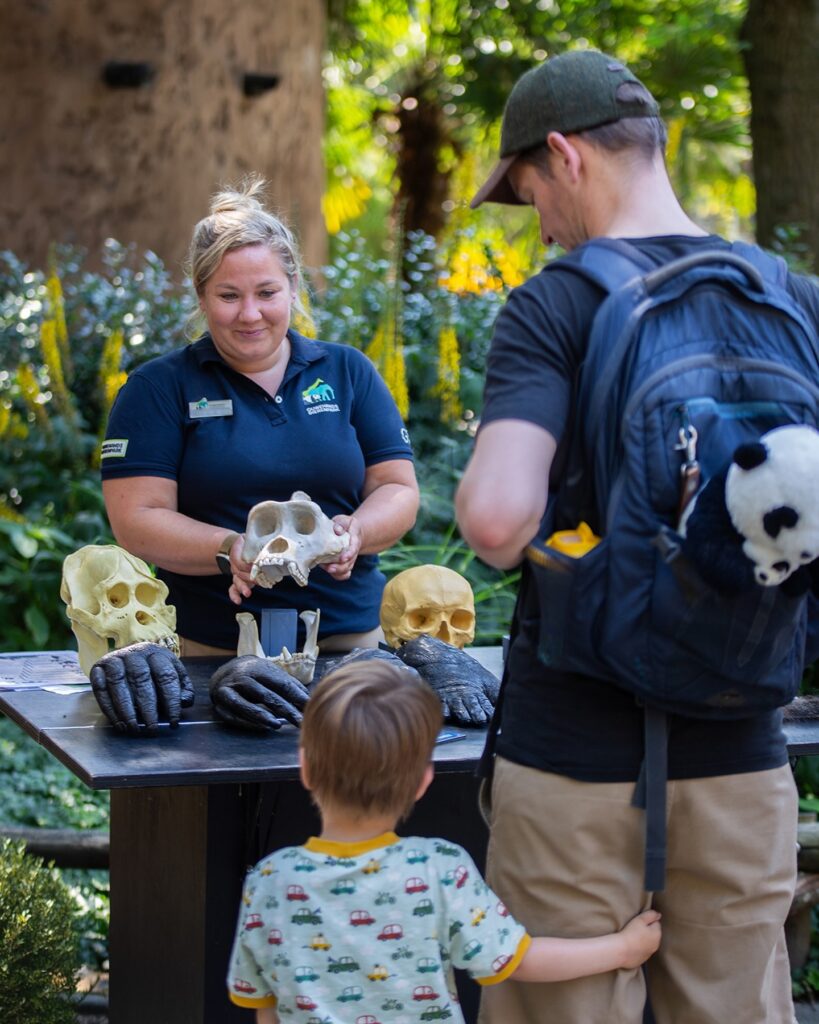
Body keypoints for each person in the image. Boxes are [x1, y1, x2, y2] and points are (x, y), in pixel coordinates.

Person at [455, 49, 819, 1024]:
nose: (539, 221)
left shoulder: (557, 305)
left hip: (574, 746)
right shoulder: (794, 300)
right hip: (743, 739)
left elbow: (495, 523)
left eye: (529, 191)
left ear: (565, 154)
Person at [225, 660, 661, 1023]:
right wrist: (622, 949)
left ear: (306, 769)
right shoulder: (438, 869)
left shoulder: (269, 881)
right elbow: (516, 960)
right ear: (422, 782)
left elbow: (265, 1008)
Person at [101, 176, 419, 658]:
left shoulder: (347, 370)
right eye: (229, 296)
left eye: (267, 292)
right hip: (209, 648)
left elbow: (397, 487)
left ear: (293, 287)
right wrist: (231, 547)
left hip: (350, 642)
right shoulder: (159, 388)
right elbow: (136, 519)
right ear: (201, 295)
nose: (250, 314)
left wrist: (357, 533)